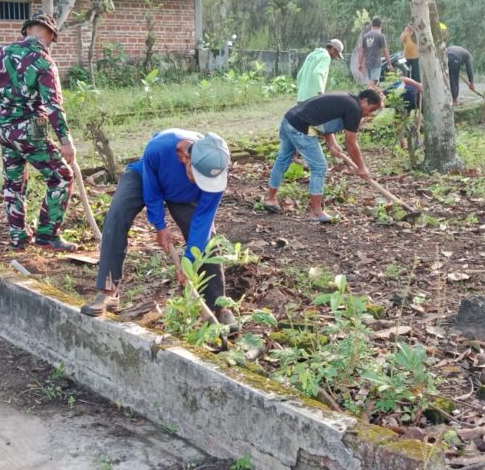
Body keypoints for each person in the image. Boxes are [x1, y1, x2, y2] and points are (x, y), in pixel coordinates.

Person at [80, 130, 235, 328]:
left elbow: (203, 220)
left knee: (207, 241)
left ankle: (218, 306)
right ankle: (108, 292)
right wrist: (160, 226)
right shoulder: (160, 147)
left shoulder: (215, 173)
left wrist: (188, 263)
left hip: (183, 195)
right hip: (144, 177)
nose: (201, 182)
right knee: (118, 213)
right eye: (197, 174)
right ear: (185, 157)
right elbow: (151, 191)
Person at [0, 12, 77, 252]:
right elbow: (53, 106)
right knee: (62, 178)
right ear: (49, 35)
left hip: (6, 130)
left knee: (13, 183)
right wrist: (66, 142)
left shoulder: (1, 53)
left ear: (27, 30)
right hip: (30, 130)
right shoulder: (44, 62)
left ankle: (18, 238)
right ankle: (47, 235)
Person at [263, 90, 384, 223]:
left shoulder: (345, 98)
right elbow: (351, 143)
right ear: (365, 101)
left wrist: (332, 143)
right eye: (371, 109)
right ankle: (316, 212)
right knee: (319, 167)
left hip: (289, 119)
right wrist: (361, 167)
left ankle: (271, 200)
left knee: (283, 159)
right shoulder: (354, 109)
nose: (369, 114)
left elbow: (324, 118)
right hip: (300, 127)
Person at [359, 17, 394, 86]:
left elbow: (362, 51)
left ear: (372, 25)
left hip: (368, 63)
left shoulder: (365, 36)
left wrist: (359, 64)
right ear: (381, 25)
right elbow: (385, 51)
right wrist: (389, 64)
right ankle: (366, 94)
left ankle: (369, 94)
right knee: (374, 84)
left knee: (371, 82)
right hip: (376, 63)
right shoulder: (381, 36)